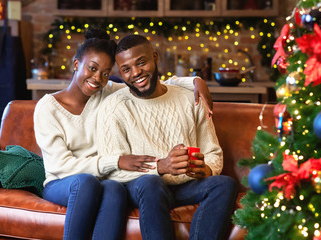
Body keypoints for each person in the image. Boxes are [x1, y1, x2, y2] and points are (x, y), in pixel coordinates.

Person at [33, 28, 213, 240]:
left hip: (100, 179)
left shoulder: (106, 92)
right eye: (91, 68)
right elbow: (59, 166)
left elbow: (147, 82)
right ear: (75, 64)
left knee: (114, 188)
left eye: (105, 73)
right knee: (87, 182)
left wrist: (194, 81)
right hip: (62, 182)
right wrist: (116, 161)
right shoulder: (48, 107)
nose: (97, 78)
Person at [96, 34, 238, 240]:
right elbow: (112, 170)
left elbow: (213, 152)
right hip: (141, 187)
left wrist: (205, 169)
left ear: (155, 57)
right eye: (126, 69)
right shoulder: (113, 107)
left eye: (141, 62)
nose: (135, 73)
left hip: (184, 185)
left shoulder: (191, 99)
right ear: (121, 73)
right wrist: (160, 167)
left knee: (225, 184)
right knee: (150, 183)